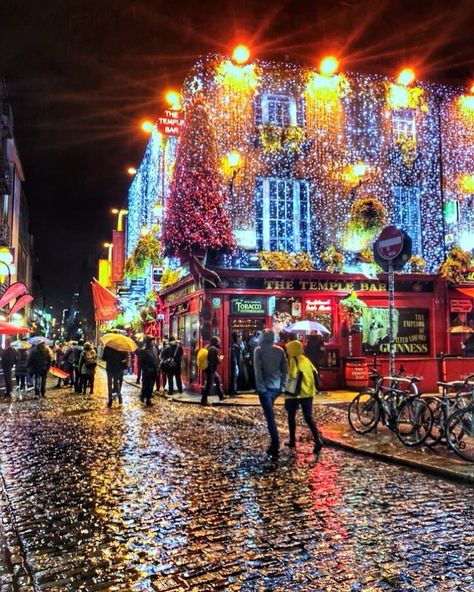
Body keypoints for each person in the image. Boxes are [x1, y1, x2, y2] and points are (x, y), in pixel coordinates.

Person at [253, 329, 288, 457]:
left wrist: (261, 388)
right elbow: (285, 370)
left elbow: (258, 371)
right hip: (276, 387)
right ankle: (274, 442)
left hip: (266, 388)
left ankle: (275, 444)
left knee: (270, 417)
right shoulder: (280, 351)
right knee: (270, 415)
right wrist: (283, 387)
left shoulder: (258, 350)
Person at [284, 339, 323, 454]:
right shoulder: (306, 359)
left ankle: (292, 439)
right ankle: (318, 440)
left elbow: (292, 374)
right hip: (309, 392)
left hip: (295, 393)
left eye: (288, 349)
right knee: (308, 417)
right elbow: (314, 371)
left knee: (291, 416)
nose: (287, 351)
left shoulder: (293, 359)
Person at [201, 336, 224, 406]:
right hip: (210, 370)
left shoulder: (208, 347)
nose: (219, 343)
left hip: (208, 369)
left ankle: (221, 396)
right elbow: (215, 361)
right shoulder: (214, 349)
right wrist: (220, 359)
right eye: (218, 342)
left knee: (217, 379)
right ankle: (204, 400)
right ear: (216, 342)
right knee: (209, 385)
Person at [138, 336, 160, 406]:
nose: (153, 342)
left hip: (154, 370)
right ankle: (146, 398)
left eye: (153, 341)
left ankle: (146, 398)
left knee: (151, 385)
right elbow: (140, 362)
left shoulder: (155, 349)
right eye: (151, 341)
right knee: (146, 385)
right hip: (147, 371)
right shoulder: (143, 350)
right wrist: (145, 368)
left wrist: (157, 368)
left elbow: (156, 359)